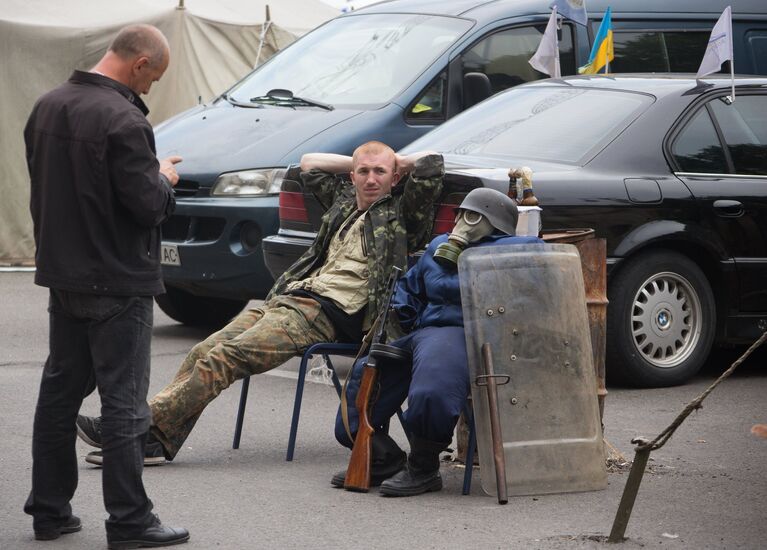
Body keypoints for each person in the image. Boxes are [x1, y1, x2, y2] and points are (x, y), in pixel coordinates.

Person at [76, 141, 444, 466]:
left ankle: (128, 431)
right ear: (351, 177)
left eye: (380, 172)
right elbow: (309, 163)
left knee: (224, 358)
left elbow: (431, 163)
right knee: (205, 349)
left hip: (323, 313)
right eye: (363, 171)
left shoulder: (402, 213)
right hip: (288, 298)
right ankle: (154, 440)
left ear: (395, 178)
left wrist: (395, 162)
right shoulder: (345, 201)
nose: (371, 179)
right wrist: (360, 159)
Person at [23, 24, 190, 548]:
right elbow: (146, 205)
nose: (150, 89)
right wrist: (164, 177)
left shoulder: (47, 105)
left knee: (59, 393)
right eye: (153, 78)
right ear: (139, 63)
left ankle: (49, 512)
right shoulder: (123, 119)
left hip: (64, 274)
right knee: (125, 403)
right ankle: (130, 521)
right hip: (118, 280)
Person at [333, 187, 542, 496]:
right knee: (367, 375)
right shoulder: (438, 248)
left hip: (468, 333)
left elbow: (532, 278)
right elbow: (411, 287)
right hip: (424, 331)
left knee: (434, 385)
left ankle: (423, 466)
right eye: (461, 215)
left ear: (495, 224)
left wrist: (483, 249)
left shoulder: (512, 253)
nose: (462, 223)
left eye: (473, 217)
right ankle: (382, 456)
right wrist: (404, 312)